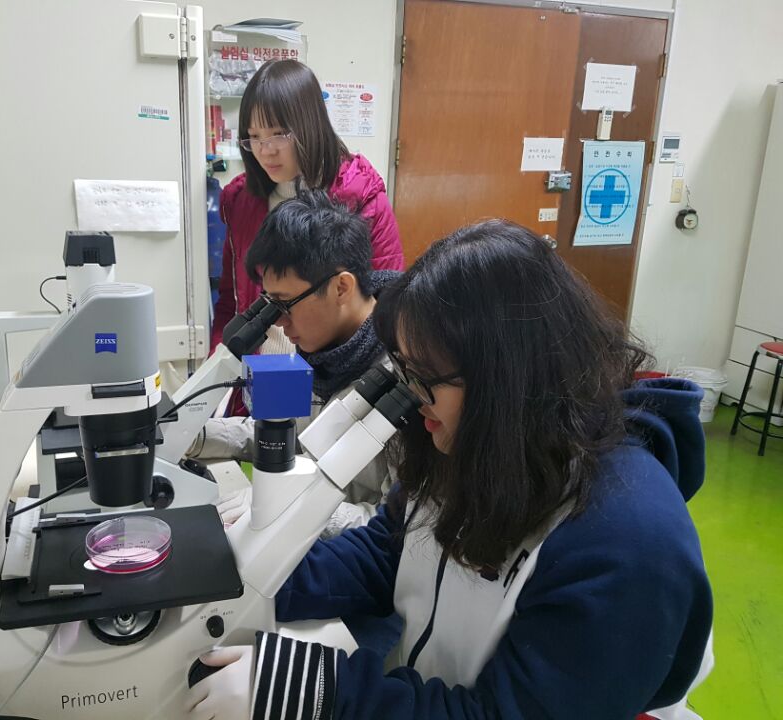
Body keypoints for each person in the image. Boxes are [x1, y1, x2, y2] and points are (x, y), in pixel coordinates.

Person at [184, 220, 713, 720]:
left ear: (507, 379)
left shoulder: (628, 544)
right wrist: (248, 576)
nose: (413, 398)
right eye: (405, 372)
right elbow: (386, 552)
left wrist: (315, 691)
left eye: (426, 378)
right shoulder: (471, 446)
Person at [191, 189, 400, 538]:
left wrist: (288, 502)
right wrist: (195, 435)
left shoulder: (406, 374)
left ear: (341, 288)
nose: (276, 321)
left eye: (284, 303)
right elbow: (287, 437)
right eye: (270, 304)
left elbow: (395, 528)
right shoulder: (320, 348)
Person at [210, 59, 403, 352]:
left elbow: (388, 302)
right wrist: (221, 360)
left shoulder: (361, 197)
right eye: (254, 137)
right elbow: (230, 299)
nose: (265, 151)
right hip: (258, 368)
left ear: (309, 125)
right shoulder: (241, 201)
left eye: (278, 134)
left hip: (335, 368)